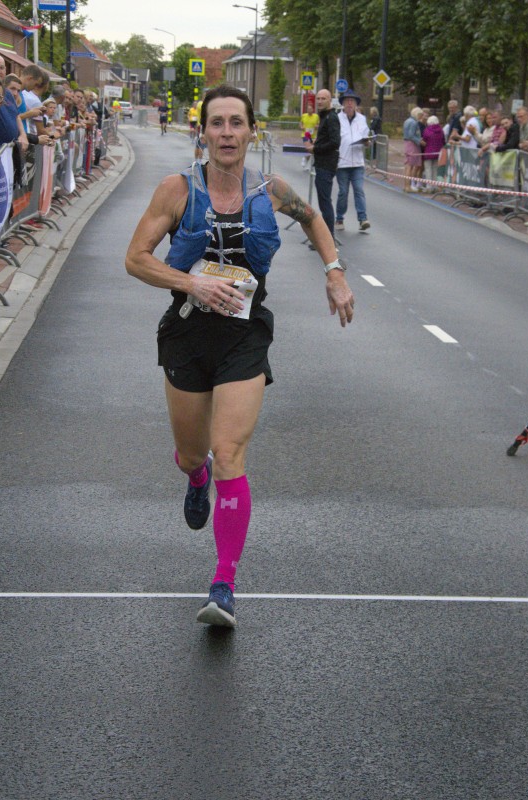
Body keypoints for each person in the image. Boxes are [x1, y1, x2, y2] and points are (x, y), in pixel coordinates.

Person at [125, 85, 354, 628]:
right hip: (186, 333)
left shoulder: (271, 190)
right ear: (202, 132)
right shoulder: (177, 189)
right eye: (217, 123)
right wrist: (192, 283)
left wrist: (335, 272)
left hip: (244, 336)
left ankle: (224, 584)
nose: (227, 132)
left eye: (236, 123)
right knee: (193, 454)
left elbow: (313, 219)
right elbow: (135, 258)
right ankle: (195, 477)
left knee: (229, 452)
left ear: (252, 132)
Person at [303, 88, 340, 239]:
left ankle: (328, 239)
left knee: (325, 202)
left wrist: (315, 148)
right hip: (322, 163)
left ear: (330, 100)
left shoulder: (331, 117)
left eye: (323, 99)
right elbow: (327, 139)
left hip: (326, 164)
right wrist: (316, 143)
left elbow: (335, 142)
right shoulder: (324, 116)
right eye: (318, 99)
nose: (319, 101)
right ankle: (326, 238)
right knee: (323, 201)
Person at [334, 88, 371, 231]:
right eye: (347, 101)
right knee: (343, 192)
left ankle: (363, 219)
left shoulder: (362, 119)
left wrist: (367, 142)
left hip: (357, 162)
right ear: (343, 104)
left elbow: (366, 136)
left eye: (352, 101)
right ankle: (339, 218)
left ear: (356, 104)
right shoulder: (337, 118)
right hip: (342, 161)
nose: (349, 103)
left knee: (359, 190)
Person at [0, 54, 28, 154]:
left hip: (9, 152)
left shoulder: (8, 93)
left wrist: (23, 134)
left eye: (1, 68)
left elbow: (17, 116)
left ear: (5, 70)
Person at [421, 115, 445, 190]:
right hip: (438, 152)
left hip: (428, 152)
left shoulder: (427, 130)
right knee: (435, 169)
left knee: (428, 169)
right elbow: (443, 141)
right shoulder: (441, 130)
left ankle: (429, 186)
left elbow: (424, 140)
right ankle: (435, 186)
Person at [403, 106, 423, 192]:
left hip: (407, 144)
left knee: (408, 165)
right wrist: (419, 141)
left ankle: (406, 185)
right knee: (410, 166)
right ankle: (408, 186)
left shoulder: (407, 121)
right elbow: (411, 135)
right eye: (420, 115)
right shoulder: (414, 123)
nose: (421, 117)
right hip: (412, 145)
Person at [300, 100, 318, 170]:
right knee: (308, 148)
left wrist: (317, 126)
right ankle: (305, 160)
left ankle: (306, 161)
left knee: (311, 150)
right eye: (308, 109)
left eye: (310, 109)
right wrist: (301, 127)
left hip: (313, 136)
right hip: (305, 135)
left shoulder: (316, 116)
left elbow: (319, 124)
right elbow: (300, 123)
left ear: (313, 109)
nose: (309, 110)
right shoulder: (304, 115)